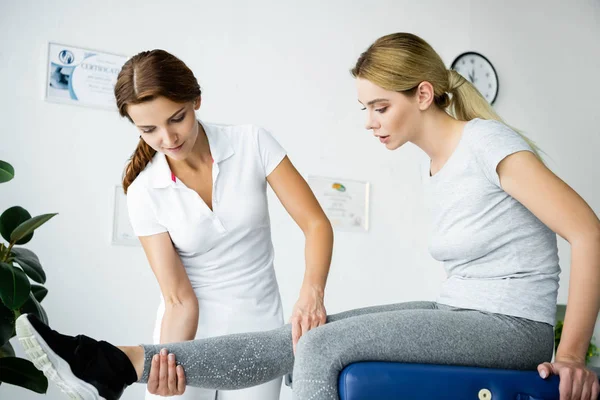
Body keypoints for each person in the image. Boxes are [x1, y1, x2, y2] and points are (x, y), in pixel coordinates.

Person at [16, 32, 600, 400]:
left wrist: (571, 353)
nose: (369, 121)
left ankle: (116, 363)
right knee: (308, 337)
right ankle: (114, 362)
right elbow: (177, 299)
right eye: (364, 107)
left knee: (317, 348)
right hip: (464, 311)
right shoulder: (441, 164)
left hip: (508, 329)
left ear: (424, 94)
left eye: (380, 107)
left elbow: (588, 231)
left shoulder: (488, 144)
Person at [115, 49, 334, 400]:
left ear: (196, 99)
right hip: (187, 338)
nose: (168, 138)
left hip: (260, 334)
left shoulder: (252, 143)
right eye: (148, 129)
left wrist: (312, 294)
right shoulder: (143, 192)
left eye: (177, 118)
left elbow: (316, 223)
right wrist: (167, 360)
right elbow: (178, 300)